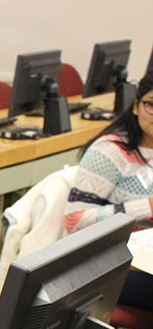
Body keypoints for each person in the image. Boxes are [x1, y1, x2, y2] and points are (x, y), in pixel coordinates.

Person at [64, 72, 153, 310]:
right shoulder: (111, 152)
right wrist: (147, 207)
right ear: (136, 106)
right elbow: (75, 220)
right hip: (110, 264)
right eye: (151, 105)